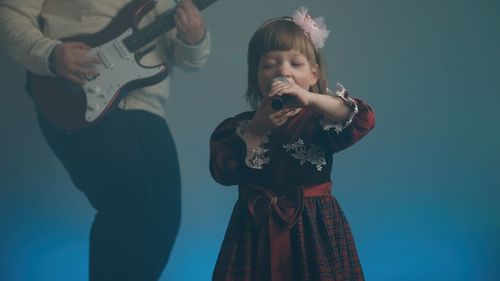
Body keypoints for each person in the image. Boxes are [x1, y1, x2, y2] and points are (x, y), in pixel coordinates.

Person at [0, 0, 211, 280]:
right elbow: (10, 12)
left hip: (147, 107)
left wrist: (195, 38)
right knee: (127, 206)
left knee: (165, 221)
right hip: (76, 93)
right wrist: (49, 53)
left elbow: (188, 60)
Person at [209, 7, 375, 281]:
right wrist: (257, 127)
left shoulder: (321, 121)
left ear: (313, 75)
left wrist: (309, 99)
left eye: (295, 64)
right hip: (255, 229)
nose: (282, 70)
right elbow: (222, 171)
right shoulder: (240, 126)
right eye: (270, 64)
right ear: (256, 76)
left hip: (313, 228)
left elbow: (362, 118)